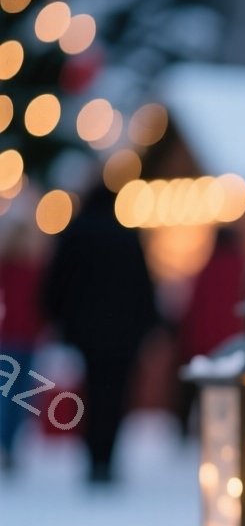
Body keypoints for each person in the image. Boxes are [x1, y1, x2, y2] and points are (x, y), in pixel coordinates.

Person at [41, 186, 160, 484]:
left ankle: (94, 459)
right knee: (116, 396)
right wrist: (149, 326)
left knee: (91, 394)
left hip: (86, 333)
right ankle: (108, 458)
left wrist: (57, 317)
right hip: (124, 334)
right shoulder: (127, 236)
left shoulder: (75, 235)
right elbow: (144, 287)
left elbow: (57, 281)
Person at [175, 226, 245, 435]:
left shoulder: (207, 270)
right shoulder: (244, 270)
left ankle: (197, 433)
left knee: (202, 396)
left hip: (203, 347)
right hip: (236, 348)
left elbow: (193, 310)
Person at [0, 208, 47, 474]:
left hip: (23, 337)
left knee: (17, 393)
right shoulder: (12, 268)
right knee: (14, 394)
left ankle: (10, 443)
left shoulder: (31, 269)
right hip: (13, 338)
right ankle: (8, 443)